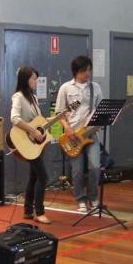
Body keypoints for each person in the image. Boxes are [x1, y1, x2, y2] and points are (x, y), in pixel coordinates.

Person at [56, 56, 102, 213]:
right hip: (73, 136)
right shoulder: (65, 88)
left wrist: (100, 122)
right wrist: (67, 128)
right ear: (76, 71)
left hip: (91, 135)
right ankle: (80, 199)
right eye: (84, 71)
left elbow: (101, 110)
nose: (87, 73)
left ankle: (93, 198)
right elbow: (59, 113)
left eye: (89, 70)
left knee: (95, 167)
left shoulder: (95, 87)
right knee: (77, 170)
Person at [10, 66, 51, 224]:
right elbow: (14, 118)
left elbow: (38, 120)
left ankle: (28, 210)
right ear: (25, 80)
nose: (36, 82)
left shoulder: (33, 98)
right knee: (43, 176)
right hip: (26, 142)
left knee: (34, 176)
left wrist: (57, 117)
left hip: (36, 144)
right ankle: (39, 212)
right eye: (34, 78)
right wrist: (33, 131)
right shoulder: (18, 97)